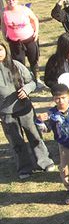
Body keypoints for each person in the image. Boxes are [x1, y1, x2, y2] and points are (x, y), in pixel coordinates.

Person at [0, 42, 55, 180]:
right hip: (6, 114)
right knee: (16, 141)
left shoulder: (16, 65)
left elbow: (32, 82)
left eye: (0, 49)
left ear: (5, 50)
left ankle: (44, 162)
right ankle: (24, 167)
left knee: (34, 135)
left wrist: (26, 89)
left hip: (24, 109)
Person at [2, 0, 41, 83]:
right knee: (19, 63)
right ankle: (24, 81)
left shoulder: (25, 9)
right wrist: (4, 34)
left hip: (29, 39)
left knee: (34, 60)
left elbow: (34, 19)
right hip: (15, 42)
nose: (11, 1)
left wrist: (36, 32)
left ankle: (37, 79)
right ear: (6, 1)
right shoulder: (3, 12)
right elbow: (3, 24)